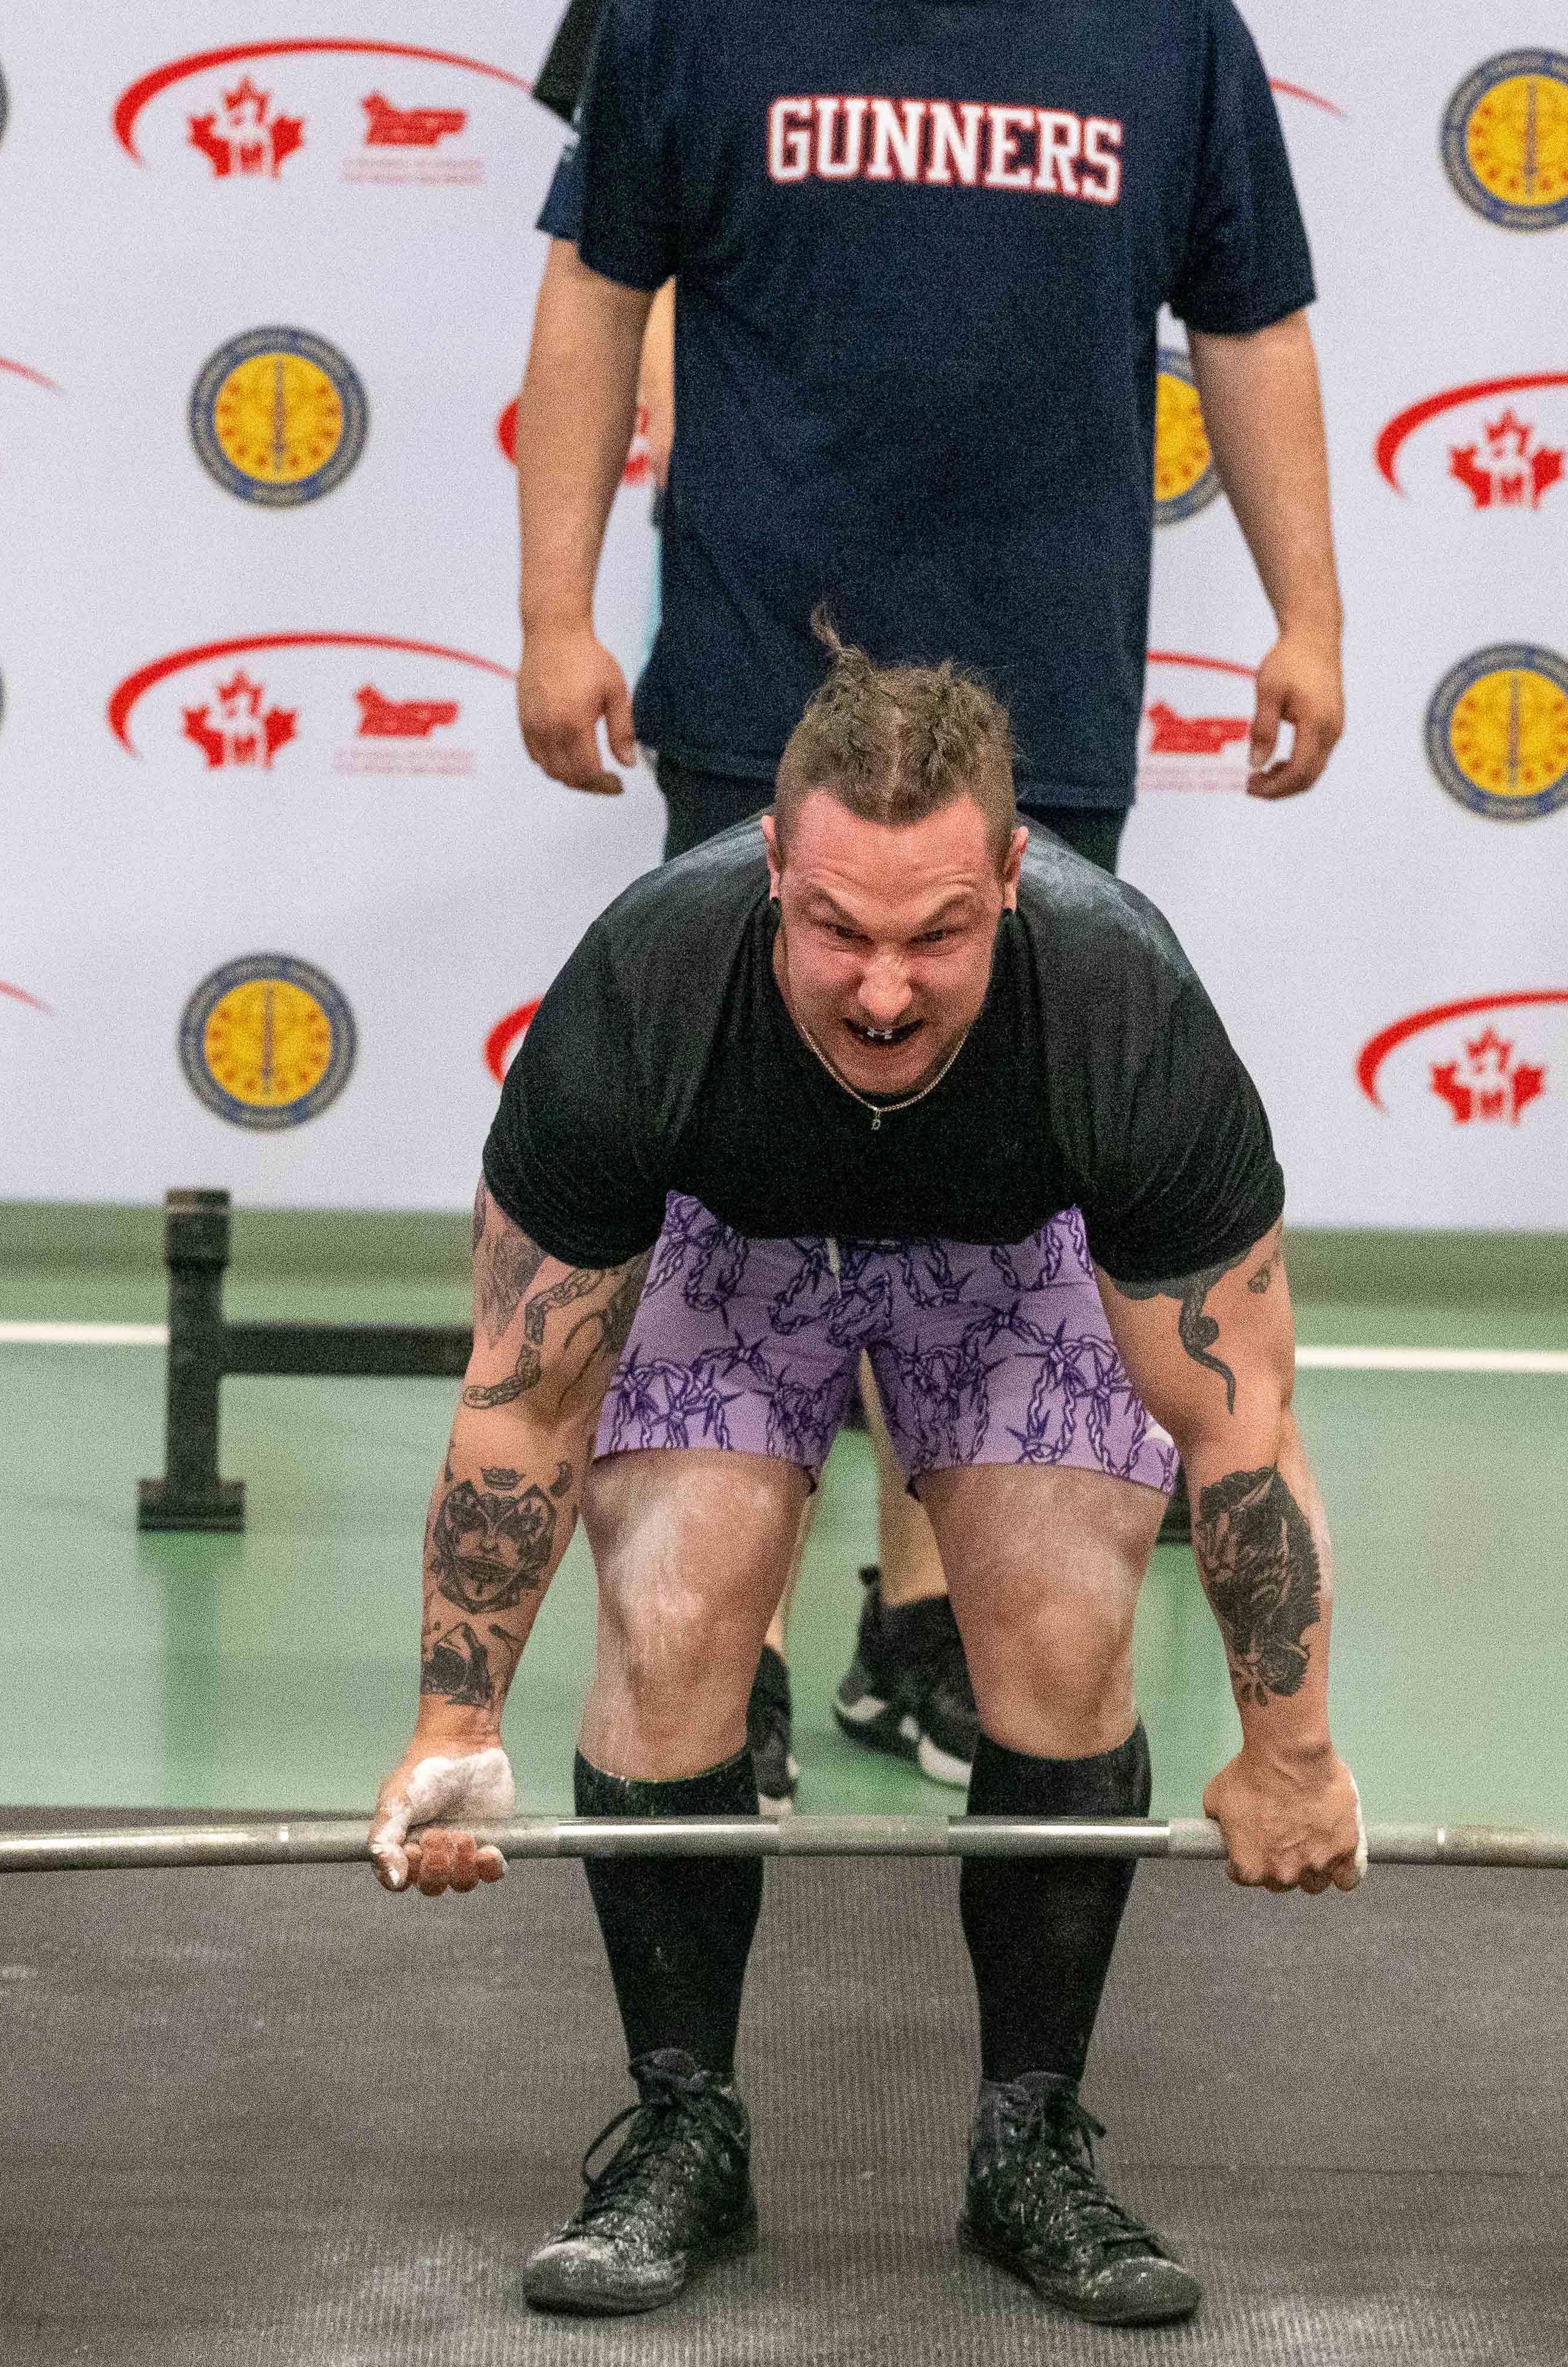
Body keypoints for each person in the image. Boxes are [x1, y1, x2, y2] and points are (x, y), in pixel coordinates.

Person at [368, 642, 1362, 2326]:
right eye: (836, 930)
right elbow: (523, 1407)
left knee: (1062, 1630)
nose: (883, 992)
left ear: (1012, 878)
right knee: (674, 1612)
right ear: (771, 866)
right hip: (732, 1242)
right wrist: (453, 1724)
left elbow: (1239, 1424)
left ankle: (1028, 2138)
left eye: (935, 938)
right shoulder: (647, 988)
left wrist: (1292, 1751)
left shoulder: (1117, 1007)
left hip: (1012, 1250)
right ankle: (683, 2127)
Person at [512, 0, 1351, 1788]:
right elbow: (595, 288)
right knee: (736, 1187)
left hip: (1040, 691)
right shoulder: (689, 17)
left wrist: (1311, 613)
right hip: (759, 683)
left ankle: (920, 1625)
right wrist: (552, 610)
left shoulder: (1167, 35)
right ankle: (717, 1653)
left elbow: (1249, 322)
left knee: (985, 1183)